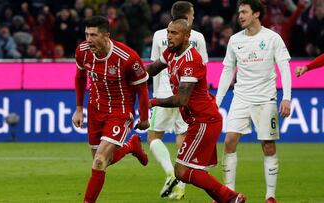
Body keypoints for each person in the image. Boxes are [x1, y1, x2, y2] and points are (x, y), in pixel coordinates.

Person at [147, 18, 246, 203]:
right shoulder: (170, 52)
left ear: (187, 36)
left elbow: (181, 99)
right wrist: (130, 75)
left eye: (174, 33)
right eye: (168, 32)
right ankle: (228, 199)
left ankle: (232, 197)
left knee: (182, 171)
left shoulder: (191, 60)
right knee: (195, 171)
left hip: (204, 120)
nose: (169, 36)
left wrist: (152, 102)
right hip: (197, 120)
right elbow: (151, 70)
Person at [215, 1, 292, 203]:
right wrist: (217, 101)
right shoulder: (234, 40)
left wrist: (286, 98)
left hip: (266, 99)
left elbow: (284, 68)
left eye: (244, 12)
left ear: (256, 14)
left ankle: (270, 196)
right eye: (239, 12)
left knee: (268, 146)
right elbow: (227, 71)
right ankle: (228, 194)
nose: (240, 16)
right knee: (229, 141)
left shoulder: (272, 38)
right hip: (240, 97)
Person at [72, 16, 150, 203]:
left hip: (120, 110)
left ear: (106, 35)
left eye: (93, 35)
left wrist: (145, 116)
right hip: (95, 109)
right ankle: (132, 145)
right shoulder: (82, 51)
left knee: (99, 160)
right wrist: (78, 108)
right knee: (103, 160)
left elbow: (142, 86)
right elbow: (80, 77)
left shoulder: (128, 57)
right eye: (86, 34)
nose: (88, 40)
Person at [148, 1, 209, 199]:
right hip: (187, 96)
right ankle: (181, 184)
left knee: (153, 137)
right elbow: (203, 68)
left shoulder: (159, 35)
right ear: (189, 16)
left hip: (166, 93)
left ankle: (169, 173)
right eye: (193, 14)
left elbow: (155, 66)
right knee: (182, 137)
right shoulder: (197, 37)